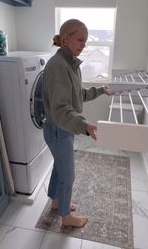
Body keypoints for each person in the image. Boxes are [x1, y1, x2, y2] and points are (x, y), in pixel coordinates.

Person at [42, 19, 111, 228]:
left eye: (85, 41)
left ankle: (56, 201)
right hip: (58, 128)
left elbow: (76, 95)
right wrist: (85, 125)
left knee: (60, 168)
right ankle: (66, 217)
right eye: (80, 39)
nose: (84, 45)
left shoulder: (70, 63)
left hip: (62, 128)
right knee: (68, 175)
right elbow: (61, 109)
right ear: (65, 39)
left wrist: (100, 90)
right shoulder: (58, 66)